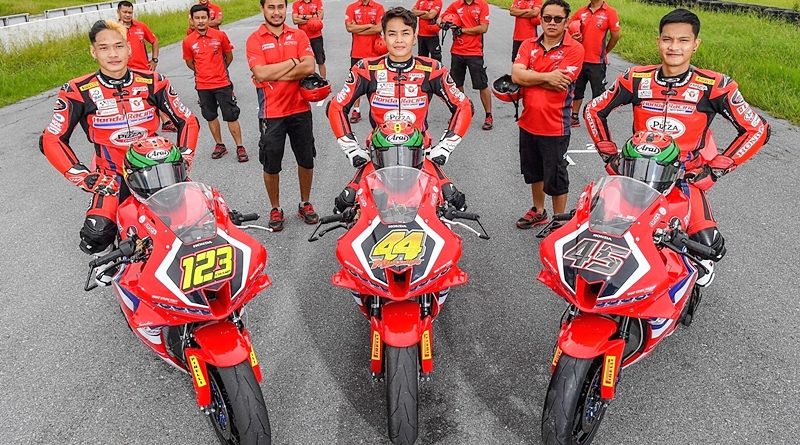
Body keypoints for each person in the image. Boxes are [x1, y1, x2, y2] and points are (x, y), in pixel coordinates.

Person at [584, 8, 770, 285]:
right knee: (598, 231)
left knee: (709, 247)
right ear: (658, 41)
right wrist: (609, 154)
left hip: (685, 178)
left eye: (683, 40)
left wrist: (716, 169)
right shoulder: (635, 78)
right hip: (636, 176)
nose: (674, 47)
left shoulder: (715, 85)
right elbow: (593, 110)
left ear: (695, 44)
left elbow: (758, 129)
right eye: (667, 39)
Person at [39, 19, 199, 281]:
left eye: (119, 46)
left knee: (194, 219)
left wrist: (185, 157)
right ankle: (112, 257)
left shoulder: (154, 81)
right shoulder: (77, 90)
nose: (112, 54)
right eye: (104, 48)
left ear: (129, 48)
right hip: (110, 175)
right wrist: (84, 177)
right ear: (93, 52)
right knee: (96, 234)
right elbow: (52, 139)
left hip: (157, 171)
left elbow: (188, 120)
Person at [327, 7, 473, 213]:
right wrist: (351, 149)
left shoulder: (432, 69)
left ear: (415, 36)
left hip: (421, 155)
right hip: (378, 155)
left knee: (454, 201)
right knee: (344, 204)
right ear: (383, 36)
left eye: (405, 33)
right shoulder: (366, 69)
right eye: (392, 34)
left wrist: (446, 147)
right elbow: (336, 106)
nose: (399, 40)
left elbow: (463, 105)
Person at [246, 0, 320, 232]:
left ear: (286, 8)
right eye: (271, 7)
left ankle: (305, 203)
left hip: (300, 109)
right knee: (271, 164)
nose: (276, 12)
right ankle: (275, 208)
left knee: (306, 160)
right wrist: (292, 62)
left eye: (280, 7)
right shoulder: (254, 39)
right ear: (262, 9)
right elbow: (260, 72)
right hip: (271, 112)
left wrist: (274, 73)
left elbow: (309, 67)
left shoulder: (299, 35)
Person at [511, 0, 584, 229]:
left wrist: (530, 75)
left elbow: (561, 82)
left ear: (566, 22)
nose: (552, 23)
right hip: (528, 122)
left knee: (556, 177)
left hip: (555, 126)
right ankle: (538, 211)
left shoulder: (575, 49)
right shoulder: (528, 44)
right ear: (540, 19)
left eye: (558, 19)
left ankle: (558, 220)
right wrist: (546, 76)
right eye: (547, 18)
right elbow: (516, 76)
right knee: (534, 172)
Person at [183, 5, 248, 162]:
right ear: (192, 20)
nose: (200, 21)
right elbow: (190, 63)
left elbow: (229, 56)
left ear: (208, 19)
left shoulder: (220, 35)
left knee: (231, 116)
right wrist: (203, 72)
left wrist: (219, 70)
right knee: (210, 116)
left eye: (203, 18)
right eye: (197, 18)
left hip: (222, 83)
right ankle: (220, 145)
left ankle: (240, 147)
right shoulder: (187, 41)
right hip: (203, 86)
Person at [116, 1, 176, 133]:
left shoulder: (140, 26)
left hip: (143, 69)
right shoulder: (114, 30)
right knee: (129, 99)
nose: (127, 15)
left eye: (130, 12)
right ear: (118, 12)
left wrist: (154, 59)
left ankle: (166, 122)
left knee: (153, 95)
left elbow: (154, 41)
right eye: (125, 12)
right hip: (124, 71)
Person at [440, 0, 493, 130]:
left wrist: (462, 30)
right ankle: (462, 111)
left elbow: (483, 28)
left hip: (475, 52)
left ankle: (488, 115)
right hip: (457, 51)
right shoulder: (456, 5)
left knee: (482, 85)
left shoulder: (482, 5)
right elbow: (441, 19)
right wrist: (443, 23)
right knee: (457, 85)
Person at [567, 0, 620, 127]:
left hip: (597, 62)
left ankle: (597, 118)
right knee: (577, 90)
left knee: (598, 93)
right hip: (580, 59)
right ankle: (574, 117)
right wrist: (573, 36)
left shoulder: (610, 12)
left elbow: (615, 36)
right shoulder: (581, 12)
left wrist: (605, 52)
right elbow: (567, 28)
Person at [344, 0, 385, 124]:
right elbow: (349, 28)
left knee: (377, 84)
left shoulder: (379, 7)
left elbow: (379, 27)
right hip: (357, 52)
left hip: (375, 54)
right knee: (356, 84)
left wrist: (358, 29)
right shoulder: (351, 7)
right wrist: (369, 26)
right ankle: (356, 110)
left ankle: (378, 111)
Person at [292, 0, 327, 79]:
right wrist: (312, 18)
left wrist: (302, 16)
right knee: (304, 62)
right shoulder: (296, 3)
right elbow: (295, 20)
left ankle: (324, 80)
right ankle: (306, 81)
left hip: (316, 37)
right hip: (303, 38)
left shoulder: (317, 1)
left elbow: (320, 17)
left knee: (320, 61)